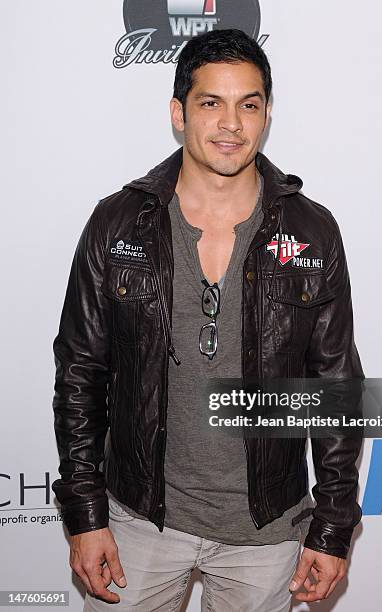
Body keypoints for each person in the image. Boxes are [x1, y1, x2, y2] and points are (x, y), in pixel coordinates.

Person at [51, 28, 364, 611]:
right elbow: (80, 375)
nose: (231, 124)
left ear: (266, 114)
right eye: (210, 103)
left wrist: (332, 525)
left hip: (266, 533)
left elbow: (335, 388)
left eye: (248, 104)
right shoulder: (117, 224)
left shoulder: (313, 232)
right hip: (138, 522)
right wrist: (86, 515)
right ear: (179, 112)